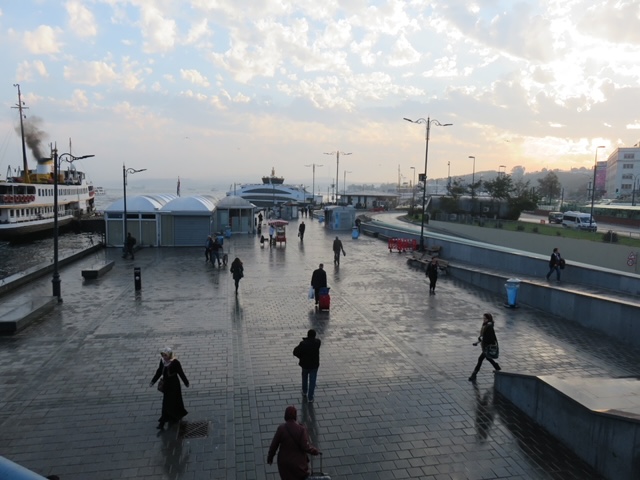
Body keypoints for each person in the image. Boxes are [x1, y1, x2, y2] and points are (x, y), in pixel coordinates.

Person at [267, 405, 319, 479]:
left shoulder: (281, 428)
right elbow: (305, 446)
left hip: (284, 463)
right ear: (295, 416)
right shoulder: (301, 429)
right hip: (298, 464)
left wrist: (270, 457)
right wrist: (315, 451)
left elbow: (273, 446)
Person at [149, 347, 189, 429]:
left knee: (174, 401)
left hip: (174, 385)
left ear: (170, 355)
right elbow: (159, 371)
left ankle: (172, 417)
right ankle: (163, 422)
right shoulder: (162, 361)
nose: (164, 357)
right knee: (166, 403)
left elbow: (181, 373)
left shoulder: (175, 362)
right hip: (166, 385)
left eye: (165, 355)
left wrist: (186, 382)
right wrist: (153, 381)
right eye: (163, 355)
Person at [468, 313, 501, 381]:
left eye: (485, 319)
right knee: (488, 359)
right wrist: (478, 341)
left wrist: (480, 340)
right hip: (485, 347)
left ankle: (474, 375)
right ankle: (497, 368)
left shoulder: (489, 327)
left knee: (480, 359)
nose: (484, 320)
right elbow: (483, 336)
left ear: (489, 319)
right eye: (483, 318)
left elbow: (489, 338)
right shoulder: (486, 325)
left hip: (487, 347)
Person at [293, 329, 321, 402]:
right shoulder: (317, 343)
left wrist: (300, 357)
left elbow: (295, 351)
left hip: (305, 365)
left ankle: (304, 391)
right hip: (314, 366)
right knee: (312, 381)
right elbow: (317, 340)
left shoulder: (303, 344)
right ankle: (310, 397)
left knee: (304, 378)